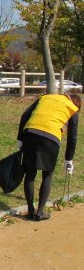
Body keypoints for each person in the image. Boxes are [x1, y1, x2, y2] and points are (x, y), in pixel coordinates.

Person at [17, 93, 80, 221]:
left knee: (30, 173)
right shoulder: (72, 108)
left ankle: (30, 210)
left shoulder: (45, 97)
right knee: (48, 174)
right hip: (51, 138)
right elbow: (72, 137)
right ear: (76, 104)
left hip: (30, 133)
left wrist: (20, 138)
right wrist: (69, 160)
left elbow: (25, 115)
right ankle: (40, 212)